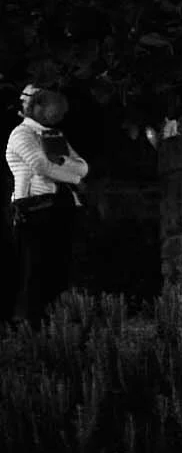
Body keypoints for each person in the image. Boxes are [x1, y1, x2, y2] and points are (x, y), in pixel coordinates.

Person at [9, 86, 88, 324]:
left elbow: (83, 165)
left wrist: (64, 162)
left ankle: (53, 327)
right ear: (38, 106)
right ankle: (33, 330)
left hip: (61, 207)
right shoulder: (22, 134)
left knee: (59, 271)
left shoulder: (53, 135)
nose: (58, 115)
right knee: (35, 272)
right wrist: (74, 177)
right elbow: (41, 166)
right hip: (35, 208)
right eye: (54, 109)